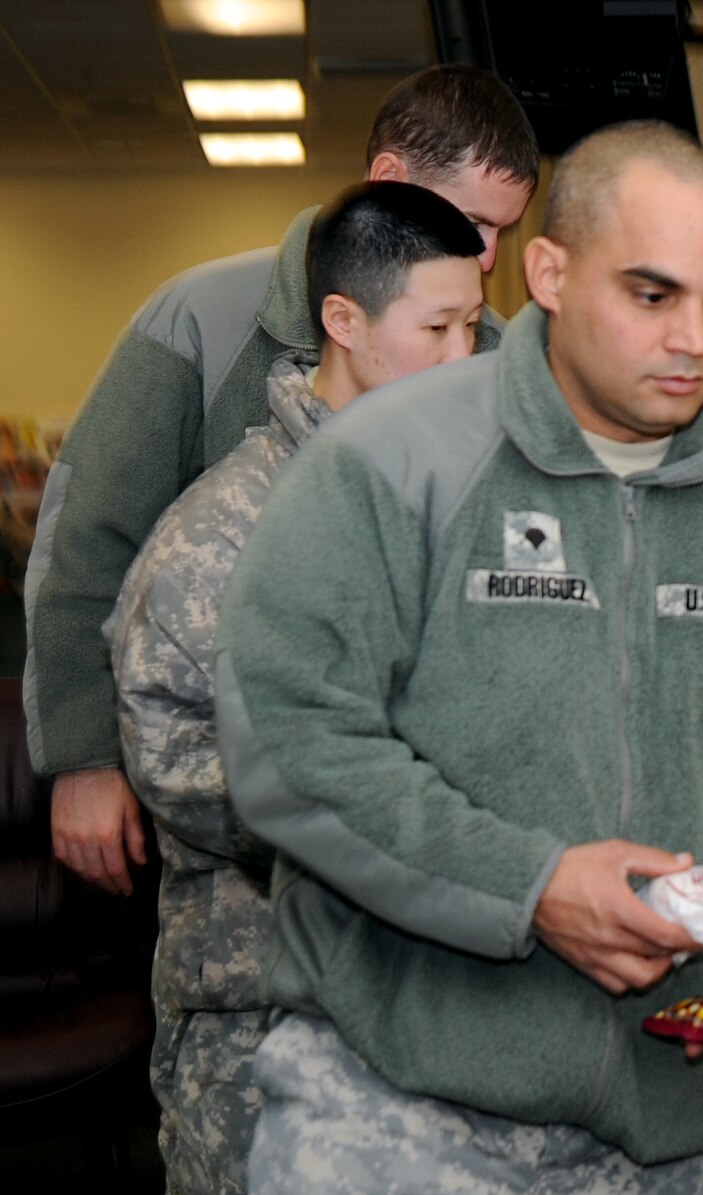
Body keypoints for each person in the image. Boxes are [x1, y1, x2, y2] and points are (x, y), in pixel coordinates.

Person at [204, 121, 703, 1195]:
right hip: (391, 1101)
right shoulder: (391, 463)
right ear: (552, 274)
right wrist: (529, 885)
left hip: (653, 1124)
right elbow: (290, 740)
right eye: (653, 294)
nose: (695, 340)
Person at [105, 183, 488, 1195]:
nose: (463, 357)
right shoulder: (229, 533)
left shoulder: (450, 497)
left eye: (474, 330)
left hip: (420, 992)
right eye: (434, 331)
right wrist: (398, 812)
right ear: (341, 321)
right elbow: (175, 755)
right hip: (257, 1000)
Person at [22, 63, 539, 898]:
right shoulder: (202, 318)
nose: (487, 256)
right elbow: (89, 538)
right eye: (473, 221)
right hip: (228, 821)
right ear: (390, 182)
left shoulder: (496, 357)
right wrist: (83, 755)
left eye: (503, 232)